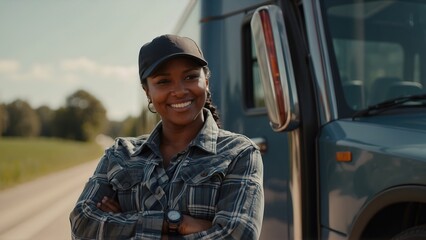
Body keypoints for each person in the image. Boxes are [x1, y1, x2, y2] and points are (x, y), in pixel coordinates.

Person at [69, 34, 264, 239]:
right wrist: (175, 224)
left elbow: (238, 236)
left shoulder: (239, 153)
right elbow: (82, 225)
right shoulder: (120, 154)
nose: (179, 91)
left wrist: (124, 222)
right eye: (163, 81)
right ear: (147, 92)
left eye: (190, 77)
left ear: (206, 82)